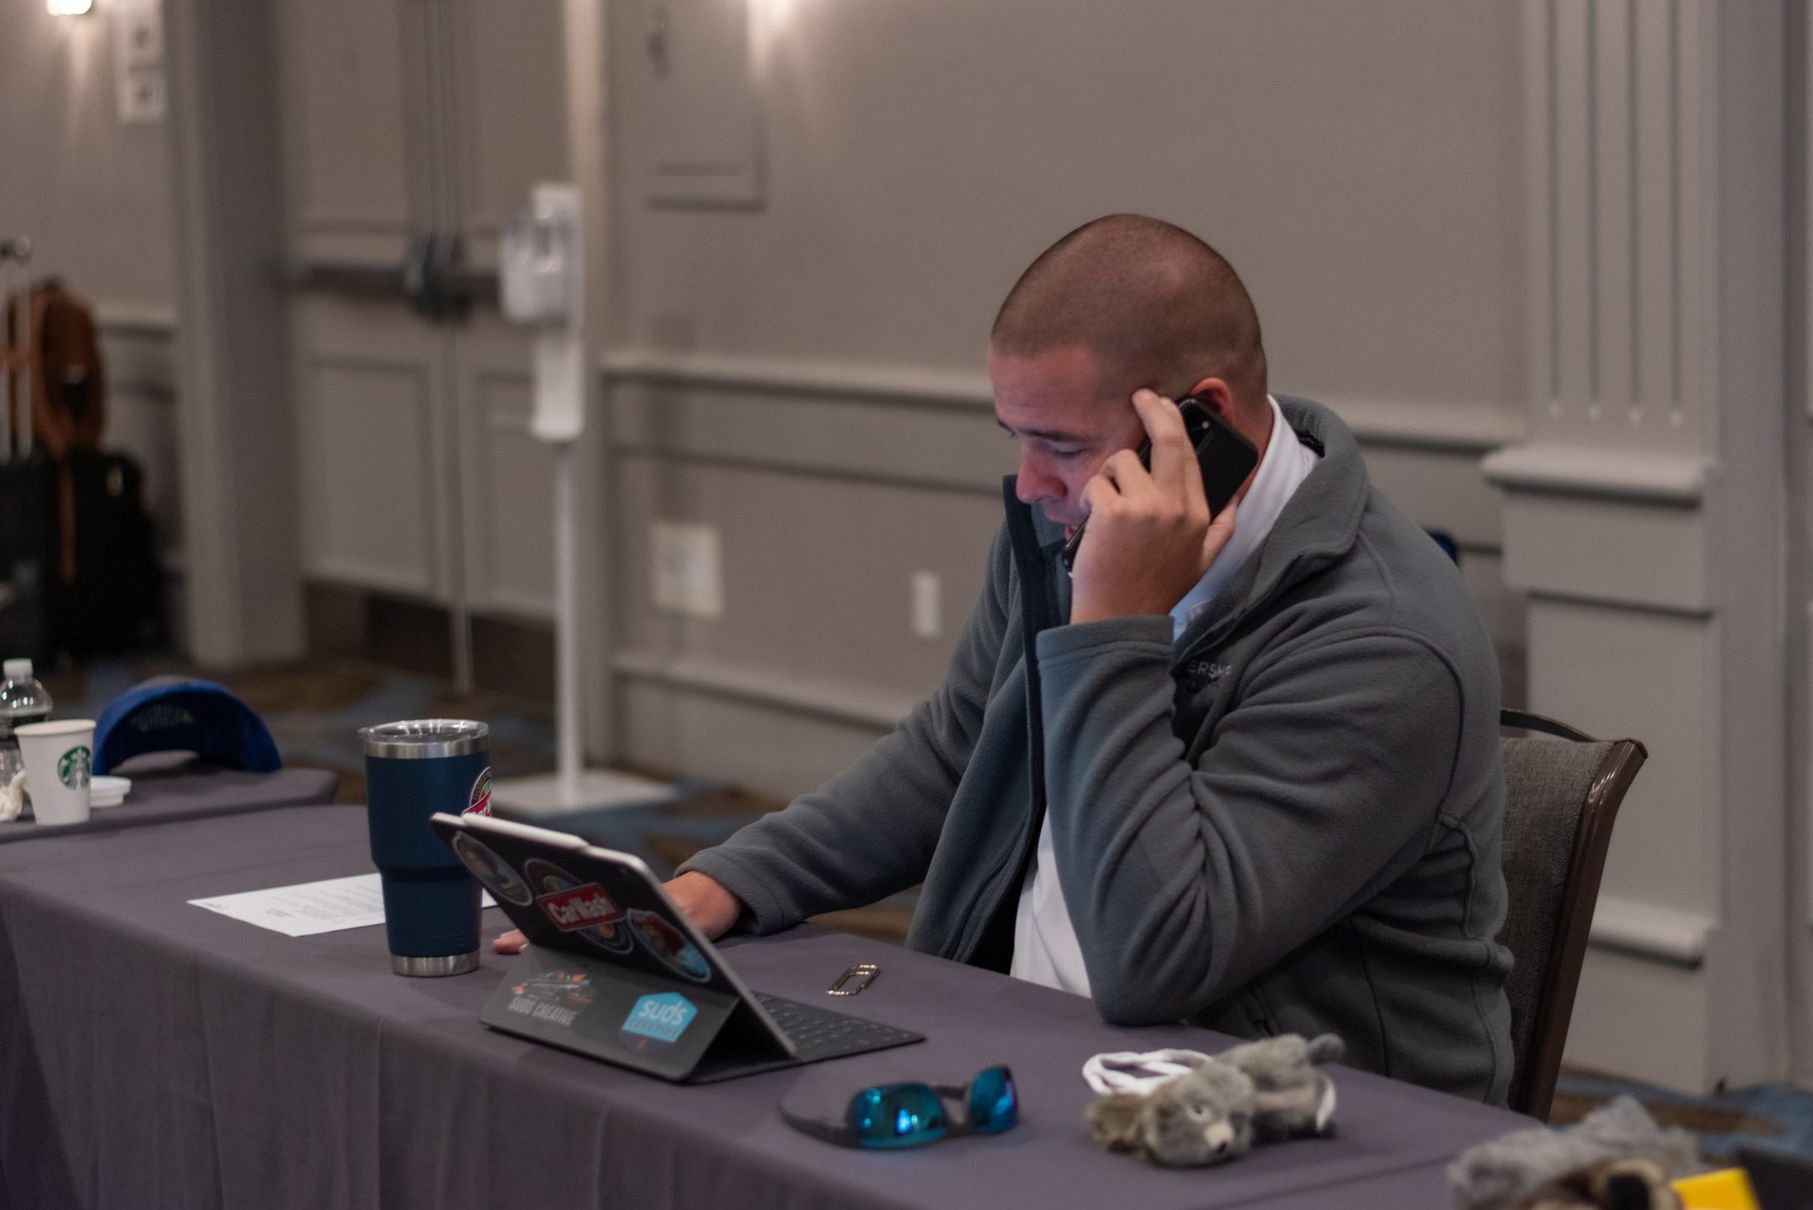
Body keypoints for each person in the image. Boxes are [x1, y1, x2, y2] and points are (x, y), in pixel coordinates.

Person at [501, 214, 1513, 1102]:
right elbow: (958, 745)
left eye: (1062, 445)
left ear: (1198, 422)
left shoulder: (1385, 640)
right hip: (1052, 1056)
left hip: (1287, 1126)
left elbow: (1157, 955)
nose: (1031, 485)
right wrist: (735, 879)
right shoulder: (1070, 527)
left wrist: (1112, 627)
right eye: (1016, 436)